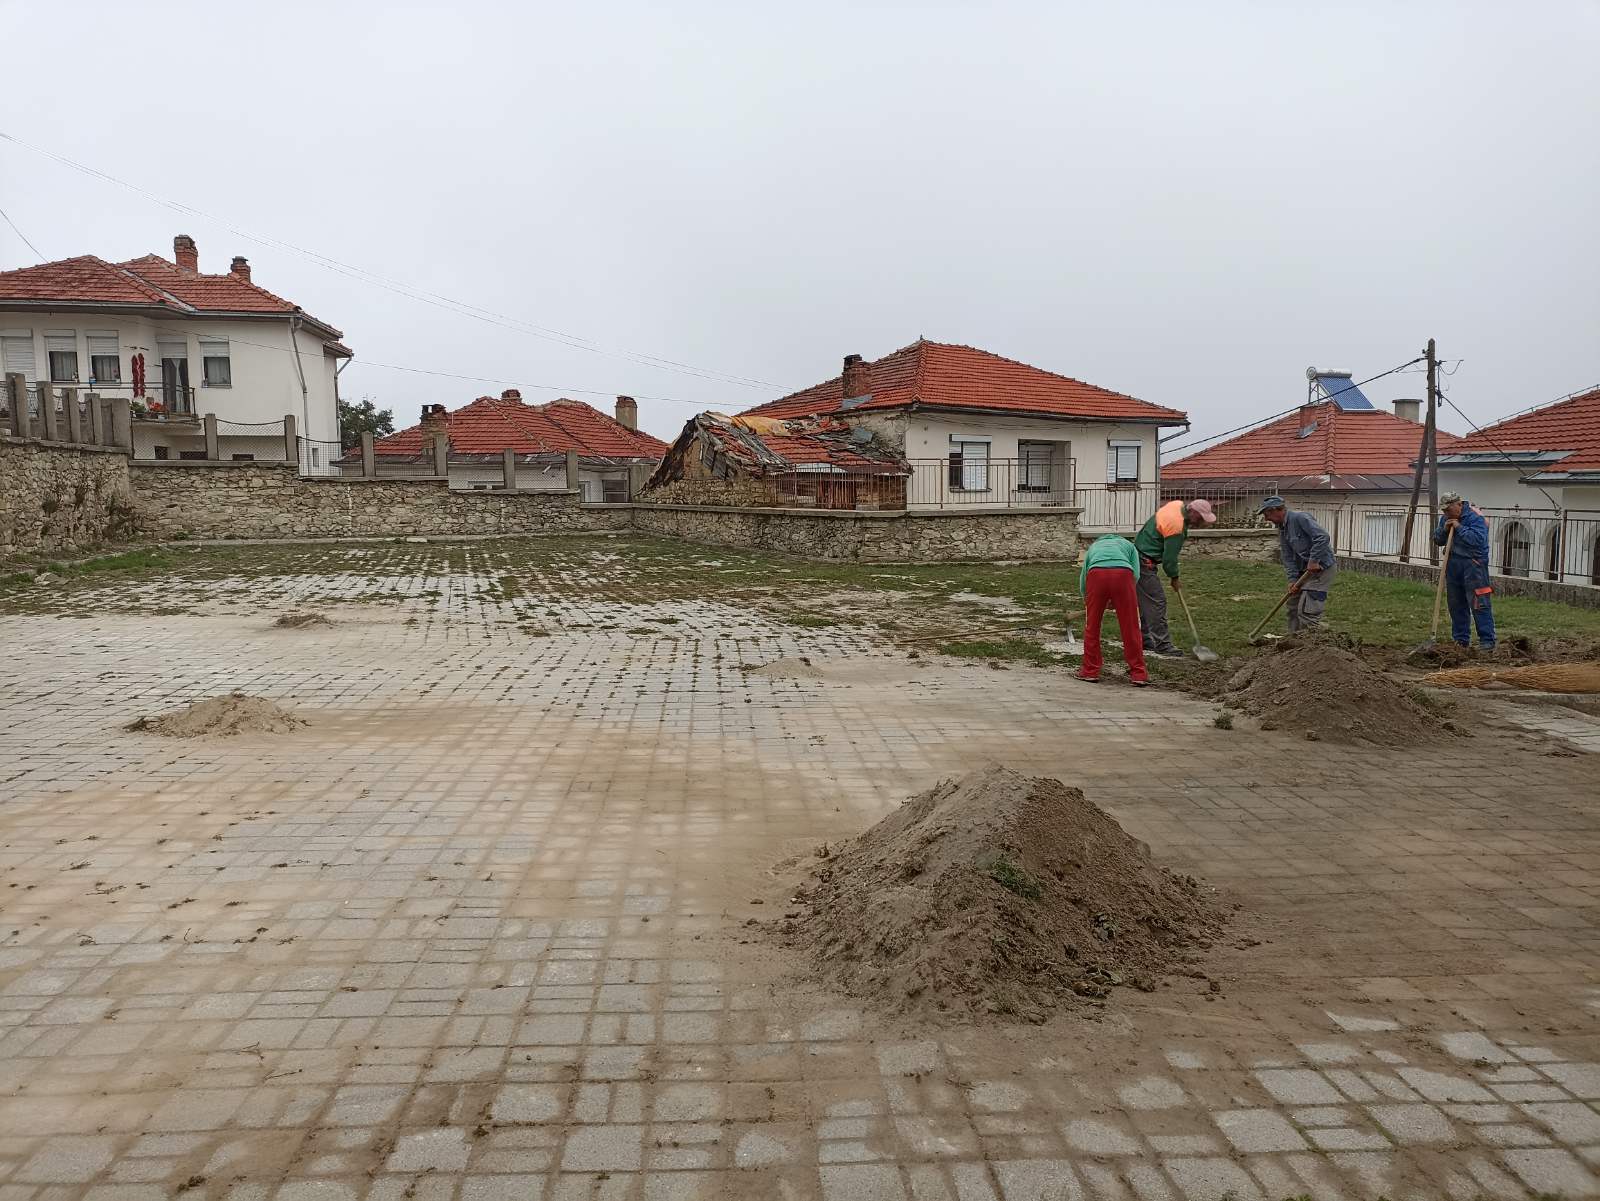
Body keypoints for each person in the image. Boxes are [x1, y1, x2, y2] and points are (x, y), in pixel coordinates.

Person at [1133, 498, 1216, 658]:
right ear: (1193, 512)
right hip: (1145, 561)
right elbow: (1169, 560)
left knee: (1146, 601)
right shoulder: (1176, 527)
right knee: (1157, 602)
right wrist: (1174, 577)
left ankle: (1145, 639)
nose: (1200, 523)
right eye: (1200, 518)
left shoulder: (1177, 505)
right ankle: (1163, 645)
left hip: (1138, 554)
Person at [1075, 534, 1149, 686]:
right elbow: (1136, 574)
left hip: (1096, 575)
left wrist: (1086, 599)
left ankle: (1090, 671)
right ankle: (1139, 673)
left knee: (1092, 627)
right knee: (1131, 626)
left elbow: (1083, 577)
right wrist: (1123, 595)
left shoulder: (1094, 547)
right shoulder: (1129, 546)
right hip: (1123, 575)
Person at [1257, 496, 1334, 631]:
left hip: (1321, 569)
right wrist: (1293, 580)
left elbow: (1322, 537)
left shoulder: (1300, 518)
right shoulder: (1282, 528)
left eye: (1267, 515)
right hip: (1303, 571)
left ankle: (1315, 639)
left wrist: (1314, 560)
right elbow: (1287, 556)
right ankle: (1293, 639)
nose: (1266, 519)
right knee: (1293, 606)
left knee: (1308, 611)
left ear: (1275, 510)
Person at [1434, 491, 1496, 650]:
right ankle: (1461, 640)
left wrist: (1459, 527)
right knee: (1456, 603)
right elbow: (1438, 540)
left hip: (1474, 565)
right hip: (1453, 564)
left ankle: (1487, 641)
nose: (1446, 513)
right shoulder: (1445, 518)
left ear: (1459, 504)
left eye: (1448, 509)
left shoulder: (1475, 517)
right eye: (1444, 510)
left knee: (1479, 603)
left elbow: (1477, 540)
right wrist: (1444, 530)